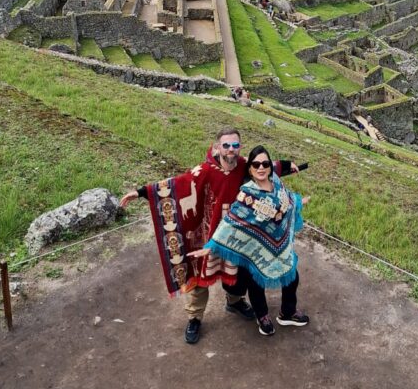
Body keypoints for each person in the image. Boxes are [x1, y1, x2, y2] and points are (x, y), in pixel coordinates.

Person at [119, 128, 297, 344]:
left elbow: (265, 166)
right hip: (210, 232)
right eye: (226, 145)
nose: (231, 150)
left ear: (240, 147)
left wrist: (288, 166)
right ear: (217, 147)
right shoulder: (204, 170)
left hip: (237, 232)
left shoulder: (243, 165)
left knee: (237, 272)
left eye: (235, 145)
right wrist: (140, 192)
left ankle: (234, 301)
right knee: (200, 276)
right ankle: (194, 317)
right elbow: (177, 183)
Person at [194, 145, 309, 337]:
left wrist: (298, 202)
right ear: (250, 169)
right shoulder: (247, 194)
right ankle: (262, 316)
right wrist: (211, 246)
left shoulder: (277, 184)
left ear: (270, 166)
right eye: (256, 164)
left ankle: (287, 312)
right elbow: (231, 222)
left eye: (265, 163)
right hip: (253, 248)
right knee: (256, 284)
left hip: (280, 248)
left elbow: (286, 203)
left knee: (292, 277)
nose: (261, 167)